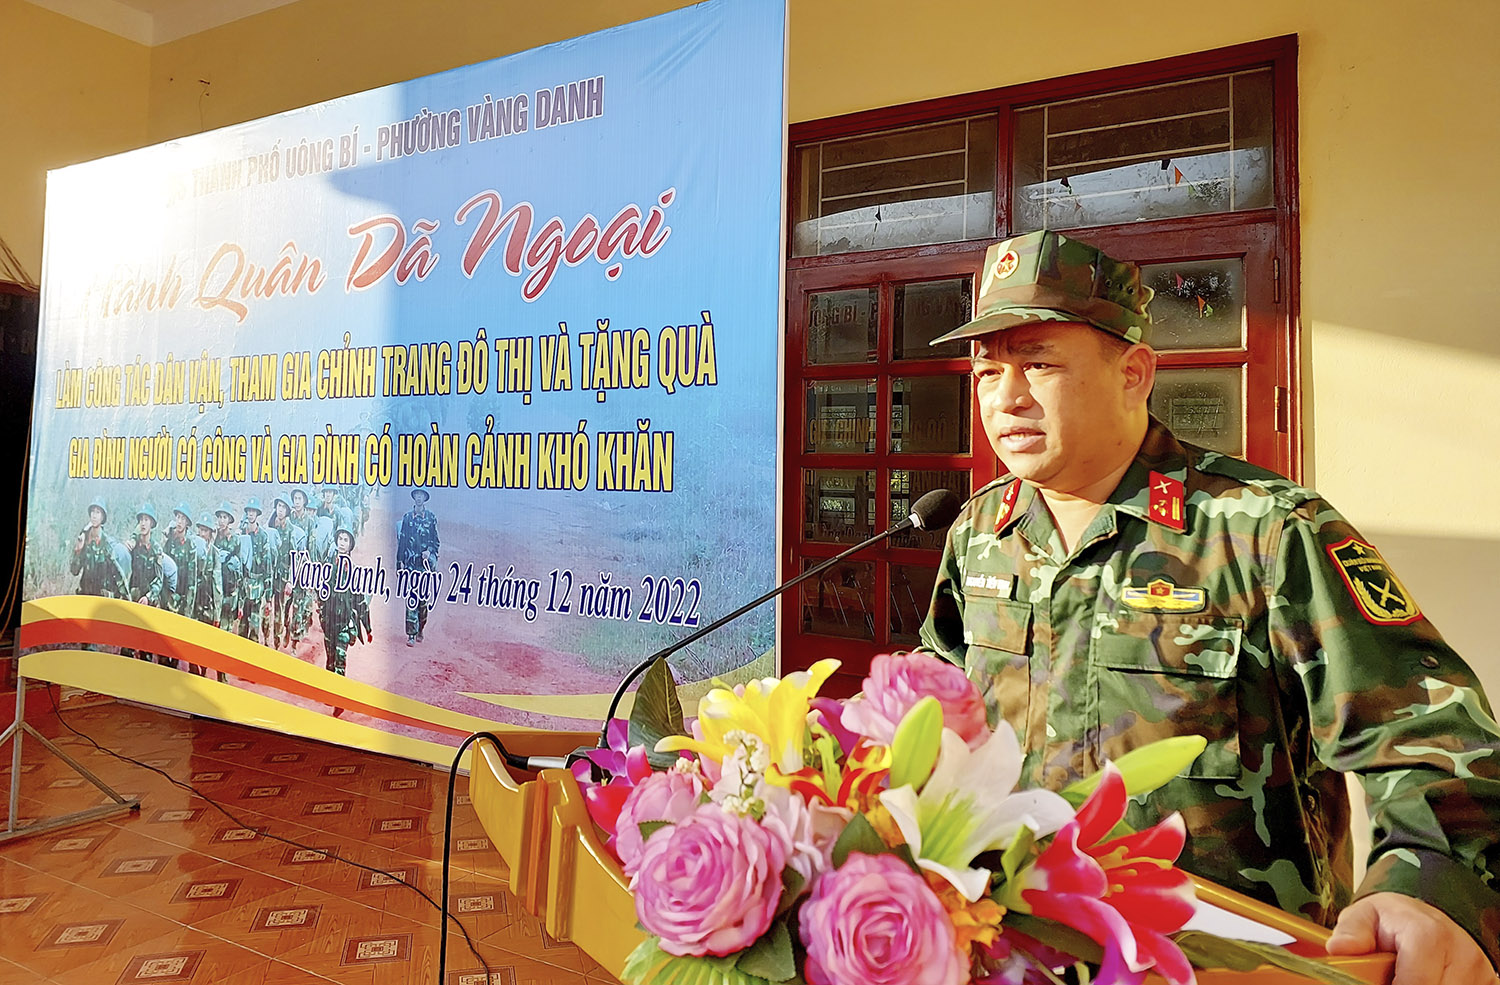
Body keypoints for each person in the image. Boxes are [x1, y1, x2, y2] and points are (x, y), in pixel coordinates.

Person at [917, 230, 1500, 984]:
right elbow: (941, 700)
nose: (1006, 398)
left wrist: (1427, 887)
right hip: (1015, 948)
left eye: (1040, 364)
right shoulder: (980, 531)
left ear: (1134, 373)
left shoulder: (1264, 531)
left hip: (1222, 964)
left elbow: (1429, 736)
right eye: (988, 371)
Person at [319, 526, 370, 677]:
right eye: (340, 539)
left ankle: (337, 688)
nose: (342, 543)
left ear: (350, 544)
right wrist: (321, 606)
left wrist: (368, 627)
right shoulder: (328, 565)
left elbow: (359, 600)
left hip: (345, 623)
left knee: (340, 660)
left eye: (345, 540)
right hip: (329, 620)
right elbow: (319, 587)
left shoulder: (353, 571)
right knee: (330, 661)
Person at [396, 488, 439, 647]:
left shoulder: (431, 518)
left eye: (421, 495)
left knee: (423, 603)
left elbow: (436, 542)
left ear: (425, 498)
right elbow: (402, 541)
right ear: (414, 497)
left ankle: (421, 627)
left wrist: (429, 551)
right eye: (417, 495)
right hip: (410, 566)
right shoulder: (407, 518)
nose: (419, 497)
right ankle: (411, 634)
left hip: (424, 568)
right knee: (411, 599)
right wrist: (399, 562)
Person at [70, 498, 128, 599]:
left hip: (101, 598)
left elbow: (118, 575)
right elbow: (74, 571)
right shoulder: (84, 539)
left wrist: (122, 597)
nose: (94, 515)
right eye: (93, 511)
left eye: (98, 512)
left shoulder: (107, 544)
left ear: (102, 517)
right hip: (84, 596)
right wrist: (78, 550)